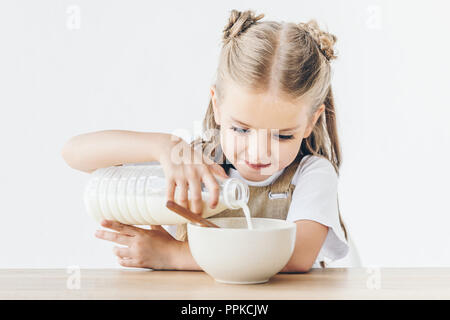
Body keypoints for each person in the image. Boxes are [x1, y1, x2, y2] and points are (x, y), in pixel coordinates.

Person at [61, 9, 349, 272]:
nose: (259, 153)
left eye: (283, 136)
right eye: (242, 130)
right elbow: (74, 153)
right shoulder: (192, 163)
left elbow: (296, 257)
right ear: (218, 107)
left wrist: (174, 255)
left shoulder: (311, 175)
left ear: (311, 121)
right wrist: (164, 147)